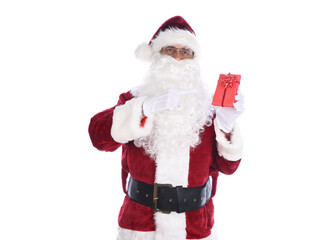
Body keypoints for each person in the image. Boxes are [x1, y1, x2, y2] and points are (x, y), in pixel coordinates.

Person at [89, 16, 244, 240]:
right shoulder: (135, 99)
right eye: (170, 50)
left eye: (185, 52)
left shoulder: (208, 108)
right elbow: (98, 136)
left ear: (194, 59)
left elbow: (228, 167)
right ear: (157, 56)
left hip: (194, 227)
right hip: (141, 226)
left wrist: (227, 126)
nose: (177, 58)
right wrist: (144, 109)